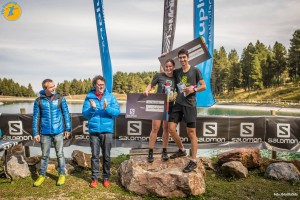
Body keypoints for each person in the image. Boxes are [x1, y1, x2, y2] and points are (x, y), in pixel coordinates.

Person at [168, 48, 206, 173]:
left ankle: (193, 161)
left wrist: (193, 90)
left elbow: (203, 86)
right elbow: (165, 70)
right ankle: (182, 150)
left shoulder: (195, 70)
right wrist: (165, 57)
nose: (182, 59)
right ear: (178, 59)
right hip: (178, 104)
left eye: (184, 57)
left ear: (188, 58)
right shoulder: (177, 71)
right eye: (180, 58)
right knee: (171, 128)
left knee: (191, 133)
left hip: (190, 105)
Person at [82, 75, 120, 188]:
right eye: (99, 85)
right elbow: (85, 114)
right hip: (94, 131)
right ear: (94, 85)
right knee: (94, 156)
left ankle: (106, 178)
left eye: (103, 85)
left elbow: (117, 112)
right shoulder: (89, 97)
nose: (101, 87)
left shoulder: (111, 97)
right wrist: (92, 108)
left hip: (107, 131)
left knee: (107, 156)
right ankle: (94, 178)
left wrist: (107, 108)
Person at [32, 79, 72, 187]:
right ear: (45, 88)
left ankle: (62, 174)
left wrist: (68, 129)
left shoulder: (60, 99)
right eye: (51, 87)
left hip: (58, 131)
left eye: (54, 86)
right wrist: (36, 133)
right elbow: (36, 118)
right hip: (44, 133)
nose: (54, 88)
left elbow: (66, 114)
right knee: (45, 156)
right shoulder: (38, 101)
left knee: (60, 154)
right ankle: (42, 175)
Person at [143, 59, 176, 163]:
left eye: (170, 66)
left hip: (170, 105)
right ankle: (150, 152)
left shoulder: (176, 77)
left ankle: (164, 151)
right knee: (155, 128)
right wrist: (147, 90)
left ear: (173, 67)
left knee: (166, 128)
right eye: (167, 66)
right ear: (164, 67)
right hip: (158, 104)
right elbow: (150, 85)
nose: (168, 68)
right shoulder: (159, 76)